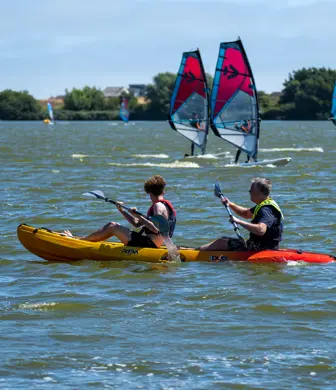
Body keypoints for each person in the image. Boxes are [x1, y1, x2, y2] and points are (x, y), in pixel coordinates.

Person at [63, 175, 176, 249]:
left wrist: (137, 215)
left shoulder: (157, 206)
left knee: (112, 226)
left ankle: (78, 241)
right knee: (113, 227)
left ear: (150, 193)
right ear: (163, 191)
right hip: (151, 242)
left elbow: (156, 229)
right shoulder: (165, 205)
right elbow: (137, 224)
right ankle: (85, 239)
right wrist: (121, 210)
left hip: (149, 244)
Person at [198, 177, 283, 251]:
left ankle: (194, 253)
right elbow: (246, 214)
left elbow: (261, 230)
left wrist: (238, 221)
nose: (249, 191)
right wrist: (230, 204)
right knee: (225, 241)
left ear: (261, 192)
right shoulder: (264, 204)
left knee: (221, 242)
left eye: (252, 189)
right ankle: (197, 250)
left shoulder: (266, 209)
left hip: (259, 249)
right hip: (260, 246)